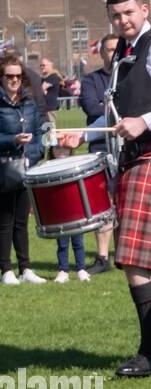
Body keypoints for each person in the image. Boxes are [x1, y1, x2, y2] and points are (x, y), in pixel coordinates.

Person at [58, 0, 151, 377]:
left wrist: (147, 122)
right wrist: (84, 134)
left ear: (144, 10)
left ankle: (150, 351)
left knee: (135, 261)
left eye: (128, 13)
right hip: (137, 162)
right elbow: (118, 119)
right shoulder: (125, 52)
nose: (122, 20)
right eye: (115, 15)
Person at [0, 55, 45, 285]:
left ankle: (25, 268)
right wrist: (13, 140)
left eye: (18, 76)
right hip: (4, 169)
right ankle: (6, 270)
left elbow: (38, 132)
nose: (14, 80)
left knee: (21, 221)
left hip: (27, 168)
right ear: (2, 77)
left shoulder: (29, 102)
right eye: (9, 76)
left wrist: (36, 153)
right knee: (5, 221)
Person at [79, 34, 120, 273]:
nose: (113, 53)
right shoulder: (91, 80)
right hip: (101, 148)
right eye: (109, 49)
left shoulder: (128, 77)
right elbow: (91, 108)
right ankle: (103, 258)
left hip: (129, 147)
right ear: (101, 52)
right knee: (104, 206)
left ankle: (125, 254)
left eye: (117, 49)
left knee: (125, 205)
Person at [47, 143, 91, 282]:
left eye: (65, 148)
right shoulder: (48, 167)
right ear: (51, 150)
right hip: (60, 214)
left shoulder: (75, 165)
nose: (61, 151)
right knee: (62, 244)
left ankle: (81, 269)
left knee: (78, 242)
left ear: (71, 150)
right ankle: (63, 271)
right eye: (57, 148)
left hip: (75, 211)